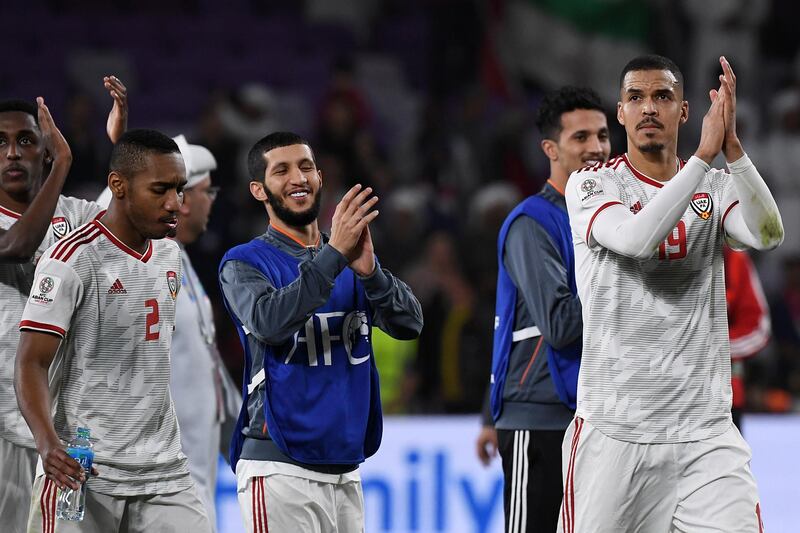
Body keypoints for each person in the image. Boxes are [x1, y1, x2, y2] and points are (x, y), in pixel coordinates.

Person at [561, 55, 782, 532]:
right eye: (635, 98)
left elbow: (767, 234)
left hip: (705, 433)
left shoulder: (718, 188)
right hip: (618, 432)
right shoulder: (592, 185)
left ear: (683, 111)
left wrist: (734, 152)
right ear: (620, 113)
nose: (648, 109)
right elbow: (638, 240)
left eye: (662, 96)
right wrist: (702, 158)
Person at [218, 131, 423, 533]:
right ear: (259, 190)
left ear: (320, 176)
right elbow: (269, 323)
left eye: (306, 167)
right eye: (282, 171)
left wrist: (372, 273)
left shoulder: (350, 259)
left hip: (345, 467)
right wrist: (333, 258)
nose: (298, 178)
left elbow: (410, 323)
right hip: (278, 466)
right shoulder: (243, 263)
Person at [15, 129, 211, 532]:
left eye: (179, 189)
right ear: (118, 186)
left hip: (164, 471)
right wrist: (48, 442)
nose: (176, 203)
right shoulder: (72, 259)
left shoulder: (171, 253)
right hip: (83, 468)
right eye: (161, 190)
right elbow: (31, 362)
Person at [476, 86, 610, 533]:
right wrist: (622, 276)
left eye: (603, 135)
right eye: (581, 137)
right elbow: (556, 326)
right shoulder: (532, 222)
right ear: (550, 148)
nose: (596, 148)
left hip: (594, 412)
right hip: (540, 415)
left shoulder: (605, 218)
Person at [0, 77, 126, 533]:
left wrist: (122, 149)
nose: (13, 152)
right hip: (3, 428)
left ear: (43, 150)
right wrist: (63, 164)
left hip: (69, 433)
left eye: (26, 140)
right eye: (1, 142)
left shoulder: (75, 215)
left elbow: (132, 224)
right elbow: (15, 245)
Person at [169, 134, 240, 531]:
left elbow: (206, 361)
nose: (211, 199)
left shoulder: (182, 262)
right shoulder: (144, 260)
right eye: (205, 190)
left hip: (198, 481)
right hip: (168, 484)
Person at [724, 246, 771, 432]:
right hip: (659, 397)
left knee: (726, 461)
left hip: (724, 398)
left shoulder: (733, 258)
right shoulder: (645, 244)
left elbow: (758, 326)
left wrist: (711, 347)